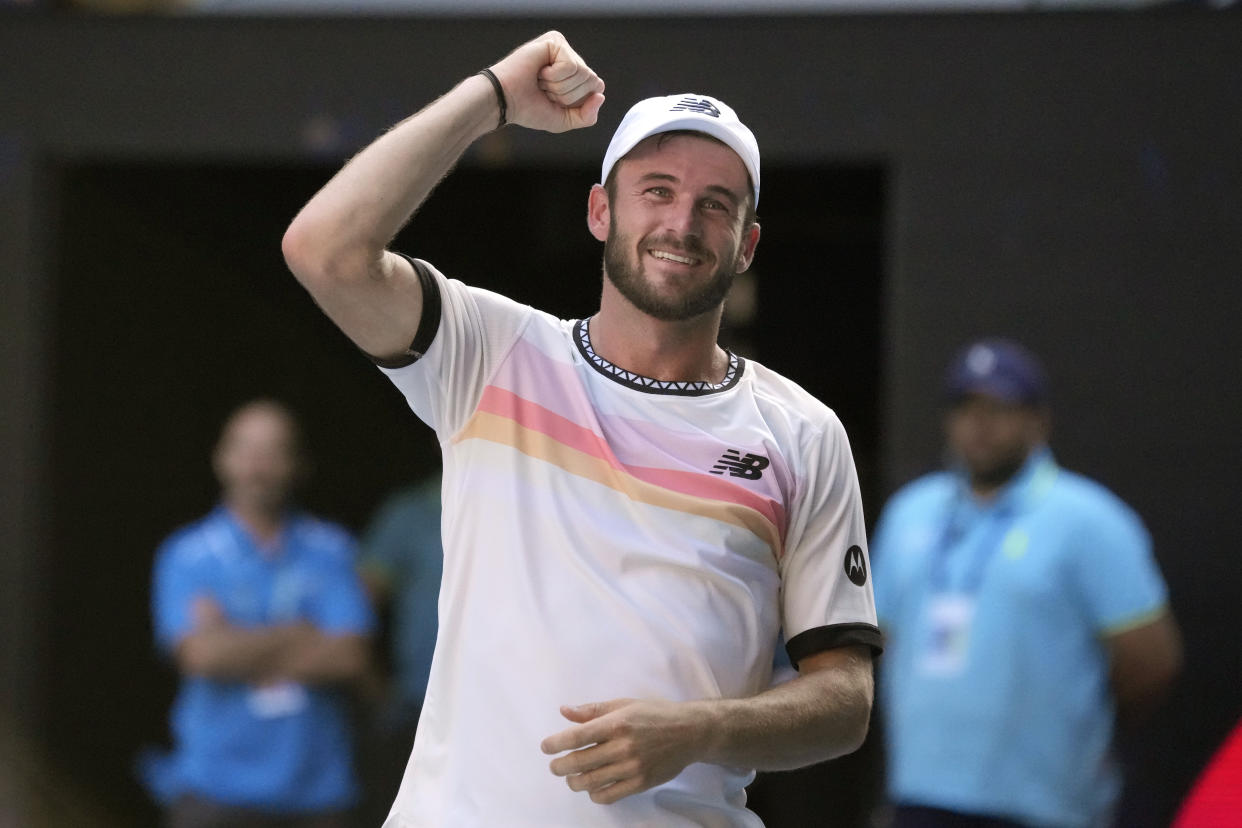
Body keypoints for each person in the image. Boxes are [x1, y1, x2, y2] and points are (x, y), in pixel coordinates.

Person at [282, 31, 881, 827]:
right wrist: (493, 97)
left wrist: (702, 728)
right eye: (657, 191)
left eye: (716, 204)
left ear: (748, 243)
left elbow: (845, 699)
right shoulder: (494, 352)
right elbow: (324, 252)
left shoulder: (803, 434)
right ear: (601, 211)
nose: (683, 222)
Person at [870, 339, 1183, 828]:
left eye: (999, 407)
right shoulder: (911, 511)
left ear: (1038, 421)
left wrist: (1075, 717)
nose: (980, 423)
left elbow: (1150, 662)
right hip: (921, 790)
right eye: (965, 407)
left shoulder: (1090, 520)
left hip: (1040, 802)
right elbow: (881, 639)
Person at [143, 399, 376, 828]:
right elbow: (200, 656)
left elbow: (350, 656)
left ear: (299, 465)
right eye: (245, 450)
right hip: (213, 788)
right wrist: (303, 633)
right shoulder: (187, 554)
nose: (257, 466)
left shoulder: (331, 548)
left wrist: (230, 637)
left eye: (273, 452)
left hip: (316, 793)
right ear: (221, 458)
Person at [354, 474, 444, 825]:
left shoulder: (524, 502)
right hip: (415, 709)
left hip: (505, 708)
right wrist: (376, 691)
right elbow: (357, 610)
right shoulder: (410, 513)